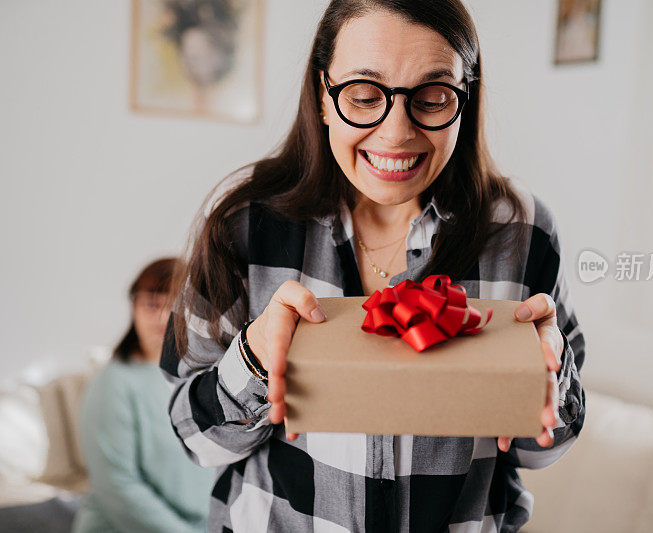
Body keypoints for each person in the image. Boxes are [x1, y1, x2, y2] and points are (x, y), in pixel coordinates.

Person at [161, 1, 587, 531]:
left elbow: (540, 452)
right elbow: (191, 437)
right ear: (323, 93)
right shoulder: (243, 223)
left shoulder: (524, 230)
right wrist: (253, 358)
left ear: (465, 98)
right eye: (364, 96)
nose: (396, 133)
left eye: (433, 98)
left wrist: (547, 386)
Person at [73, 258, 215, 533]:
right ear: (134, 306)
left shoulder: (204, 376)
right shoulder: (113, 383)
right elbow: (117, 487)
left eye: (175, 305)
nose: (163, 317)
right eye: (152, 305)